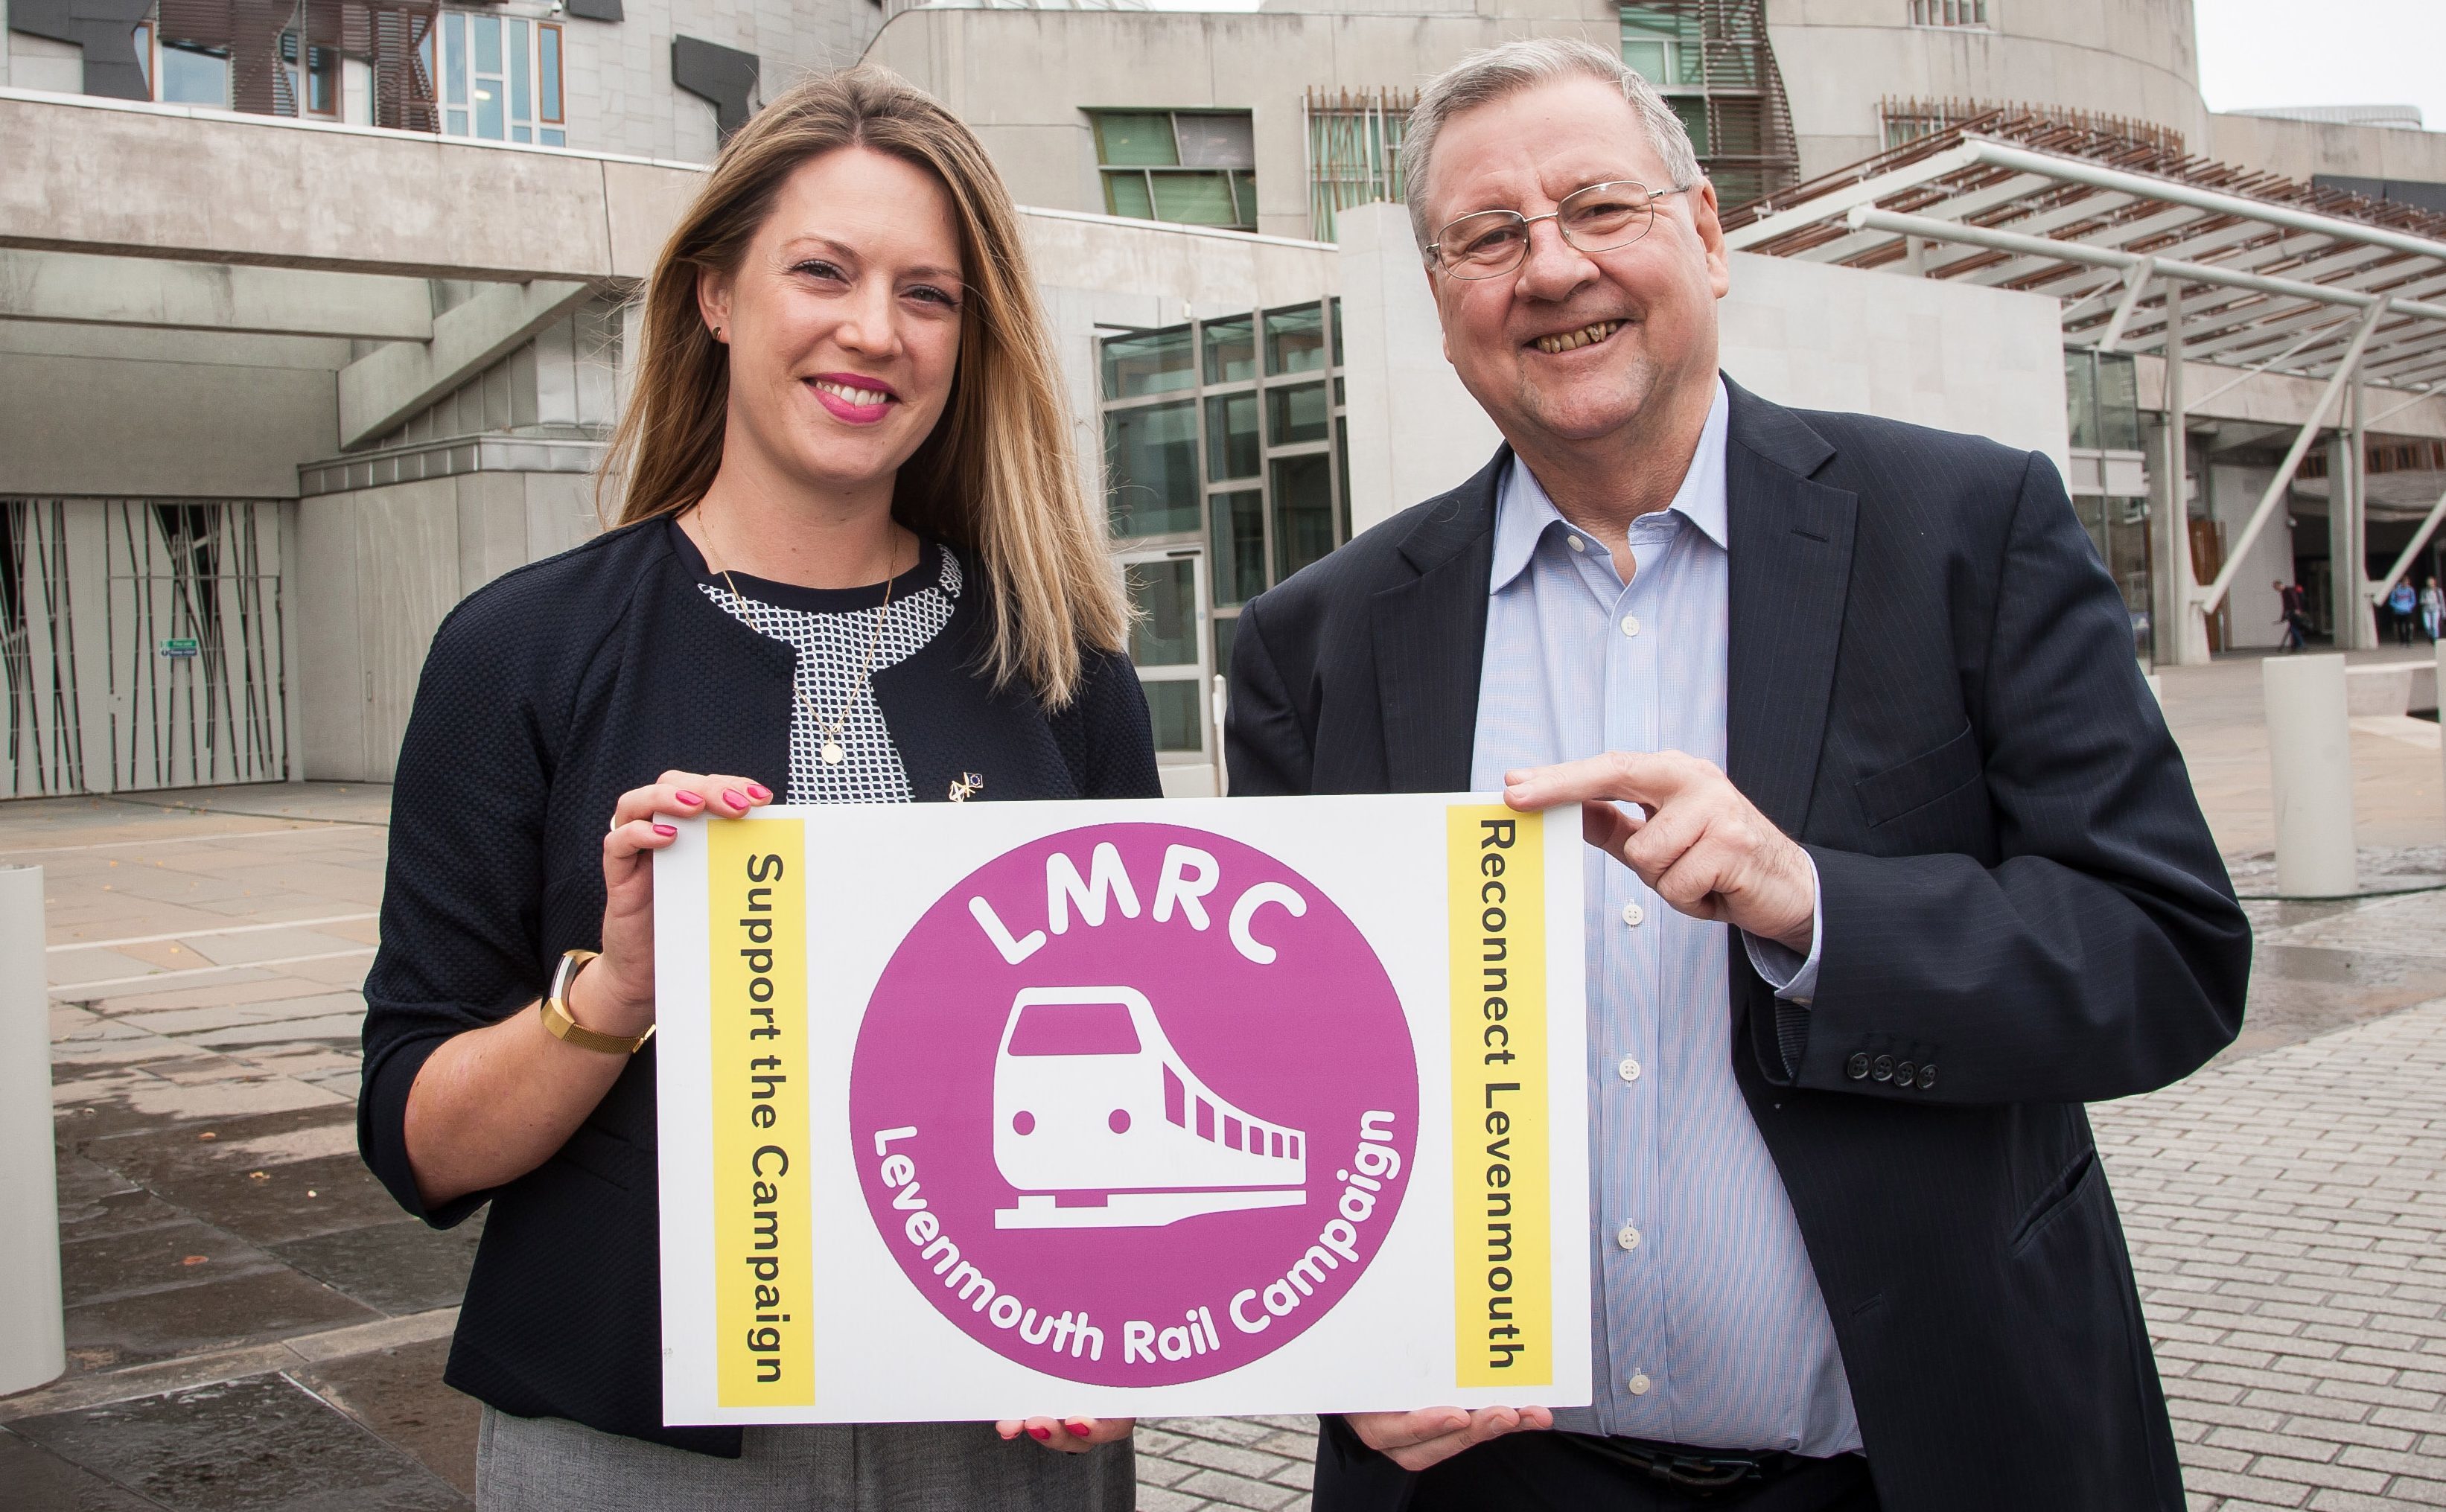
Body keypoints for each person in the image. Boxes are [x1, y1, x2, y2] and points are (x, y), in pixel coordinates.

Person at [1226, 39, 2248, 1512]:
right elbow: (1288, 1069)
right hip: (1496, 1487)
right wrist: (1337, 1344)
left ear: (1705, 234)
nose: (1551, 266)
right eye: (1489, 236)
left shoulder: (1966, 531)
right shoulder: (1315, 641)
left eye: (1598, 207)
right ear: (1441, 295)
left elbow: (2168, 954)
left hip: (1920, 1463)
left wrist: (1816, 903)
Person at [356, 68, 1155, 1511]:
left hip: (994, 1440)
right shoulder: (517, 652)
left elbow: (1159, 1061)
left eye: (929, 294)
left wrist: (1131, 1330)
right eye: (823, 272)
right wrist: (613, 995)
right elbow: (416, 1141)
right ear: (715, 293)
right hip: (632, 1443)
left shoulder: (1064, 668)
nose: (874, 329)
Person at [2277, 578, 2308, 651]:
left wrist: (2298, 610)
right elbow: (2285, 605)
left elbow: (2294, 600)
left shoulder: (2288, 590)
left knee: (2293, 628)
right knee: (2294, 628)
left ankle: (2301, 644)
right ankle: (2296, 645)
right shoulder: (2284, 592)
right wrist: (2283, 616)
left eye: (2276, 587)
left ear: (2279, 585)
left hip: (2294, 612)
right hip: (2292, 612)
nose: (2276, 589)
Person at [2390, 576, 2418, 644]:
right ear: (2402, 582)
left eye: (2407, 582)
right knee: (2400, 626)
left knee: (2408, 626)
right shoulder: (2396, 590)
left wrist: (2409, 607)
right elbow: (2392, 601)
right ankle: (2402, 641)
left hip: (2407, 611)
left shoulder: (2410, 590)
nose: (2406, 583)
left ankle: (2409, 641)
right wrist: (2398, 607)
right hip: (2398, 611)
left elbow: (2413, 601)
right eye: (2405, 582)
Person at [2423, 576, 2442, 642]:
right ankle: (2430, 636)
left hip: (2435, 609)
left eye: (2431, 583)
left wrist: (2444, 612)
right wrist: (2424, 601)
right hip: (2427, 610)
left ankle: (2436, 639)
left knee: (2435, 625)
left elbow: (2442, 601)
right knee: (2427, 626)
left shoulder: (2438, 591)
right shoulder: (2424, 591)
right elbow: (2421, 600)